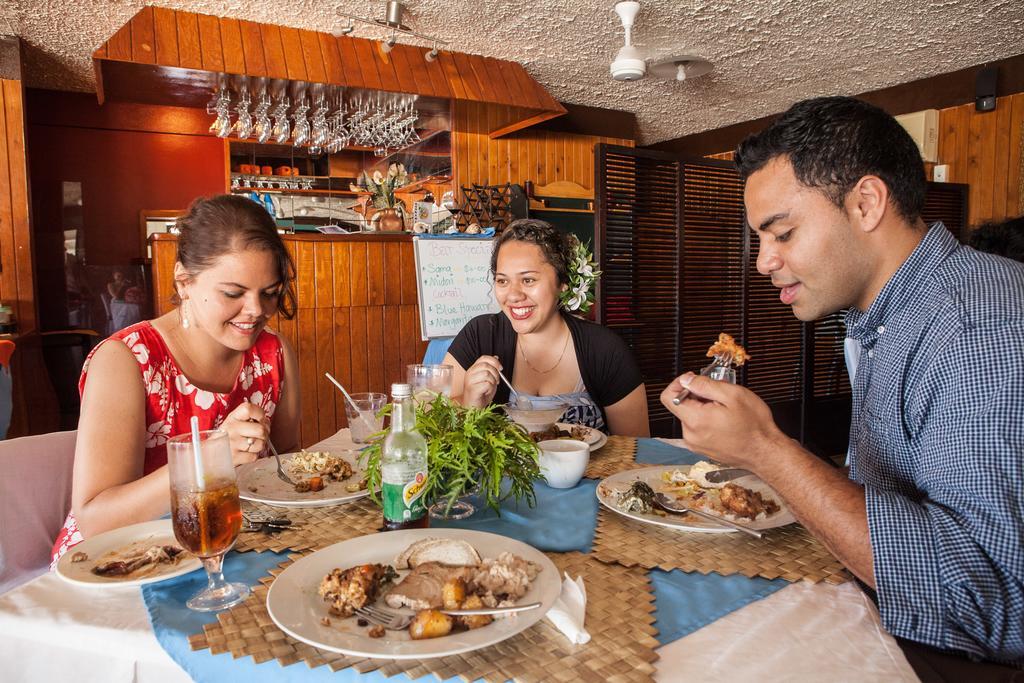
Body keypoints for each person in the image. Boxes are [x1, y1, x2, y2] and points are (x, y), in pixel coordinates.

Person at [661, 97, 1023, 669]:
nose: (763, 262)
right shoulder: (879, 319)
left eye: (781, 233)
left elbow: (990, 597)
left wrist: (765, 450)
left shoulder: (977, 329)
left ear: (866, 203)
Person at [51, 194, 302, 563]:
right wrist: (208, 457)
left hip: (227, 548)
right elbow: (95, 520)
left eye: (270, 293)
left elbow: (283, 470)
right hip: (118, 562)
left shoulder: (273, 353)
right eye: (233, 293)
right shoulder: (126, 359)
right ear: (184, 281)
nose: (256, 311)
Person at [445, 219, 649, 436]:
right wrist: (469, 403)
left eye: (528, 280)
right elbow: (432, 431)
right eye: (503, 281)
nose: (513, 295)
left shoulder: (605, 350)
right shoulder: (480, 335)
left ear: (563, 283)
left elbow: (636, 449)